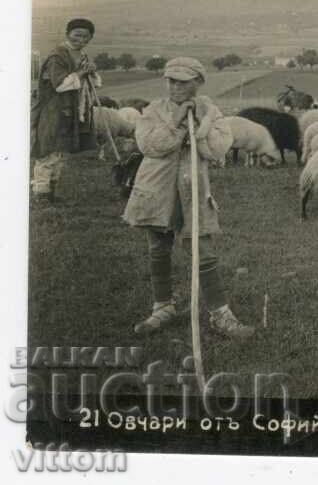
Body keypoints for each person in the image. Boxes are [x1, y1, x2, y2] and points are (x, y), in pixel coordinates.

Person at [122, 57, 254, 339]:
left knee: (202, 249)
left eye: (183, 82)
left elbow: (217, 150)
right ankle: (163, 307)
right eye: (170, 80)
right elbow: (150, 145)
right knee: (158, 247)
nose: (175, 86)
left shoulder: (212, 111)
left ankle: (221, 315)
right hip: (156, 189)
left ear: (198, 82)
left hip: (193, 189)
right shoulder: (154, 110)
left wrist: (200, 125)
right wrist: (180, 121)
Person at [30, 18, 102, 203]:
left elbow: (92, 83)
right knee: (48, 149)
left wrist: (91, 72)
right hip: (53, 108)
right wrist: (82, 73)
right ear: (67, 34)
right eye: (77, 35)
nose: (81, 39)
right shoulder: (58, 56)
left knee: (60, 149)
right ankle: (41, 192)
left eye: (86, 36)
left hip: (69, 110)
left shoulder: (82, 56)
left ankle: (51, 192)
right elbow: (60, 84)